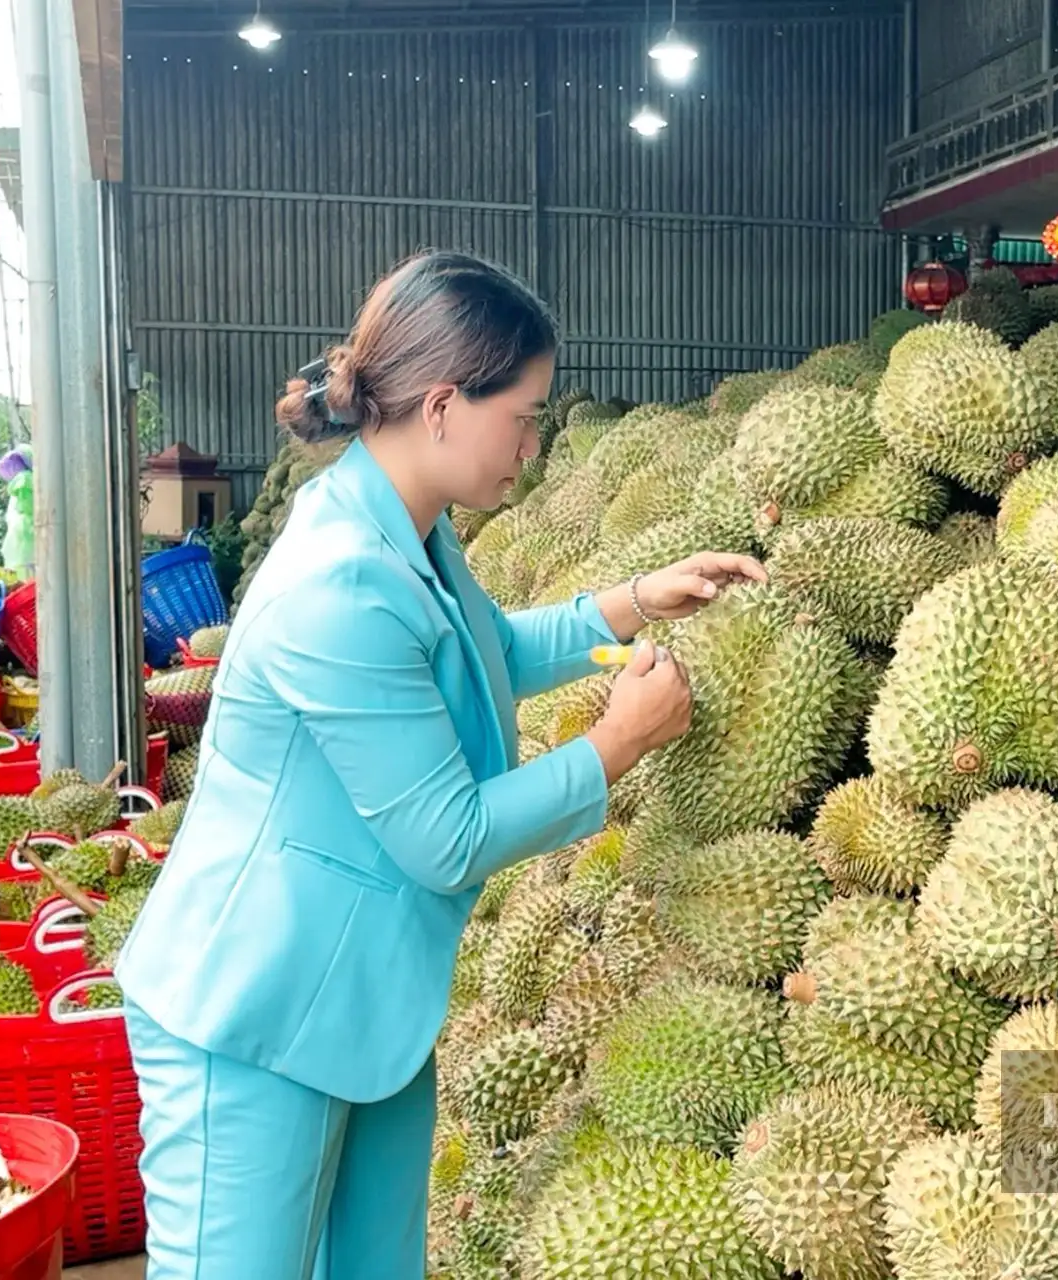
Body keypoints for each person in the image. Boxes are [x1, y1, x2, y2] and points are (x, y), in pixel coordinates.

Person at [113, 248, 765, 1280]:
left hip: (369, 997)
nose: (536, 444)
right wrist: (619, 741)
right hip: (253, 1012)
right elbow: (445, 836)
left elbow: (488, 648)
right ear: (446, 404)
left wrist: (640, 594)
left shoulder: (414, 530)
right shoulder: (338, 579)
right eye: (526, 414)